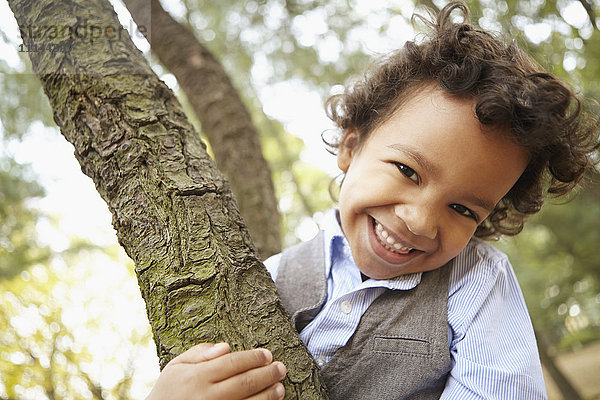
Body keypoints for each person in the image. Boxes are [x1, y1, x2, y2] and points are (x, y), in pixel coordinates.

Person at [147, 2, 599, 399]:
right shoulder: (267, 278)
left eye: (463, 209)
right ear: (350, 147)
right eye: (407, 170)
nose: (421, 222)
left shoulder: (476, 282)